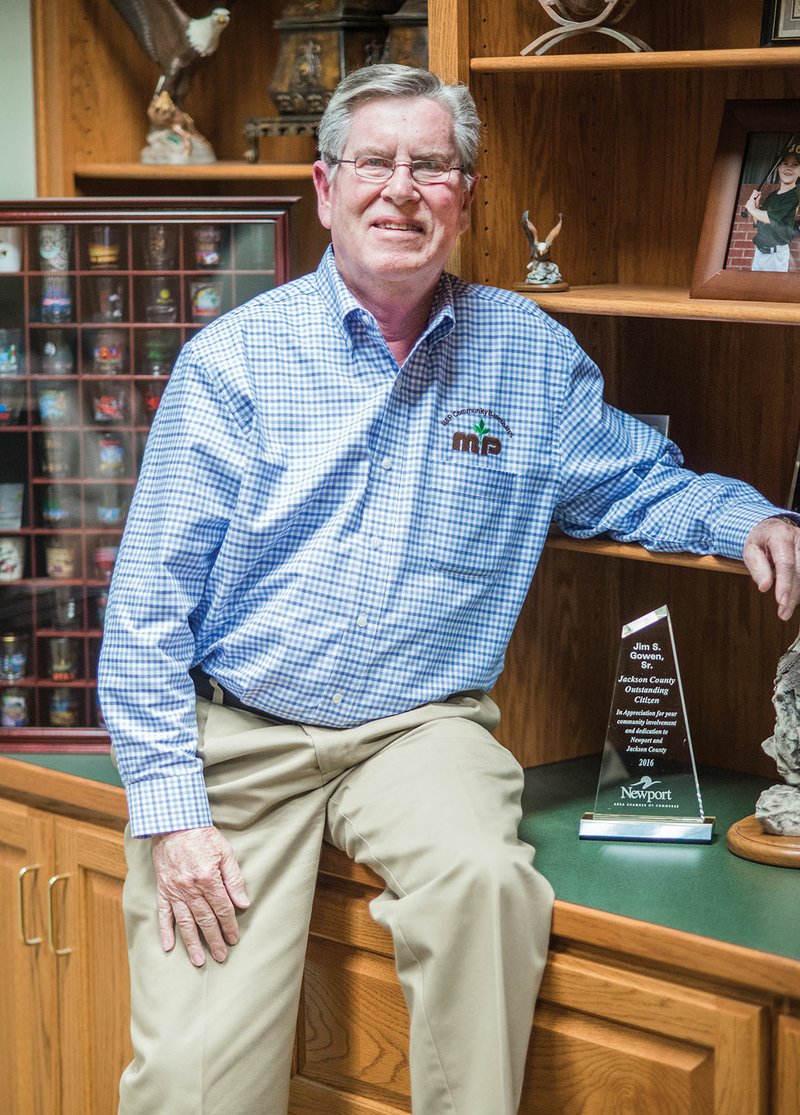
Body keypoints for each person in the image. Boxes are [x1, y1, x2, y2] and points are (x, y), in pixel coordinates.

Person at [98, 64, 800, 1115]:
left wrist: (748, 516)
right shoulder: (233, 363)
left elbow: (634, 484)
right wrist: (173, 815)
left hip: (419, 729)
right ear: (324, 188)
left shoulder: (526, 356)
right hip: (238, 730)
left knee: (484, 885)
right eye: (373, 163)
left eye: (430, 166)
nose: (401, 189)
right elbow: (145, 609)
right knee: (193, 1084)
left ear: (465, 198)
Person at [746, 150, 800, 272]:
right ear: (779, 168)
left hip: (776, 256)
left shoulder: (795, 194)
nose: (789, 167)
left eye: (795, 165)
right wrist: (756, 205)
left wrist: (752, 209)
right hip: (760, 252)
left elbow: (770, 218)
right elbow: (759, 221)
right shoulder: (772, 195)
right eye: (785, 163)